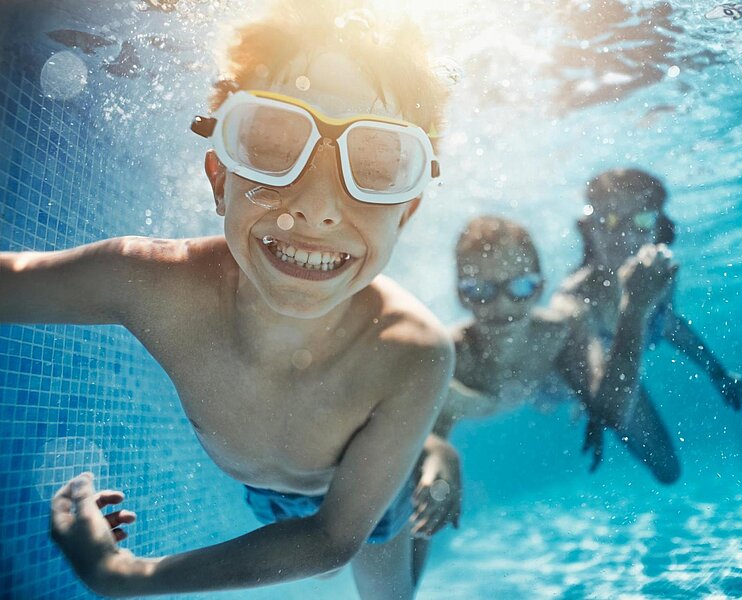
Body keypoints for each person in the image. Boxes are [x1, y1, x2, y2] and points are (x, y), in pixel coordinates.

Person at [0, 3, 454, 598]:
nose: (316, 207)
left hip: (366, 504)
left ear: (408, 212)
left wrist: (124, 575)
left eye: (376, 167)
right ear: (220, 178)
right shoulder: (155, 285)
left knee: (386, 594)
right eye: (270, 145)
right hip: (266, 496)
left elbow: (329, 541)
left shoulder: (411, 351)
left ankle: (430, 452)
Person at [409, 215, 679, 583]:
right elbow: (422, 440)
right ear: (460, 294)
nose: (502, 306)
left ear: (539, 288)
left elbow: (614, 412)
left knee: (667, 468)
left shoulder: (559, 332)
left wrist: (634, 309)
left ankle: (588, 389)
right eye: (480, 290)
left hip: (558, 381)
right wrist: (437, 468)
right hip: (542, 385)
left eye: (519, 286)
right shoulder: (451, 358)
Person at [553, 167, 742, 476]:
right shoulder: (577, 297)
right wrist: (594, 408)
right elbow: (587, 376)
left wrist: (719, 373)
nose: (625, 234)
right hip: (580, 379)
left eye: (642, 220)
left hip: (619, 373)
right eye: (610, 219)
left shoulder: (658, 274)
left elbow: (669, 325)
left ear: (658, 229)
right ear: (589, 227)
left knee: (669, 469)